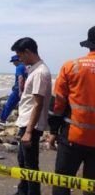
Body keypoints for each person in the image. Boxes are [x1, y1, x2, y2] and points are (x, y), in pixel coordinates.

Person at [48, 26, 95, 195]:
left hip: (72, 137)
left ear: (89, 45)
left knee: (62, 181)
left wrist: (53, 130)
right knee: (92, 187)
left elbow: (57, 104)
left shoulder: (71, 66)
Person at [11, 37, 52, 195]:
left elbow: (38, 103)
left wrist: (28, 131)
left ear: (27, 52)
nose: (19, 59)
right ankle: (22, 191)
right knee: (23, 162)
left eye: (20, 55)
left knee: (30, 165)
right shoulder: (33, 69)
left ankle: (32, 193)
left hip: (31, 125)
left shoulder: (41, 72)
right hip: (26, 122)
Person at [0, 55, 27, 125]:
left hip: (18, 90)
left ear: (17, 60)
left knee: (9, 104)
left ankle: (2, 119)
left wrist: (20, 90)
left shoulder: (19, 67)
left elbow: (20, 78)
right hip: (26, 89)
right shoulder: (26, 67)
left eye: (13, 62)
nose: (13, 63)